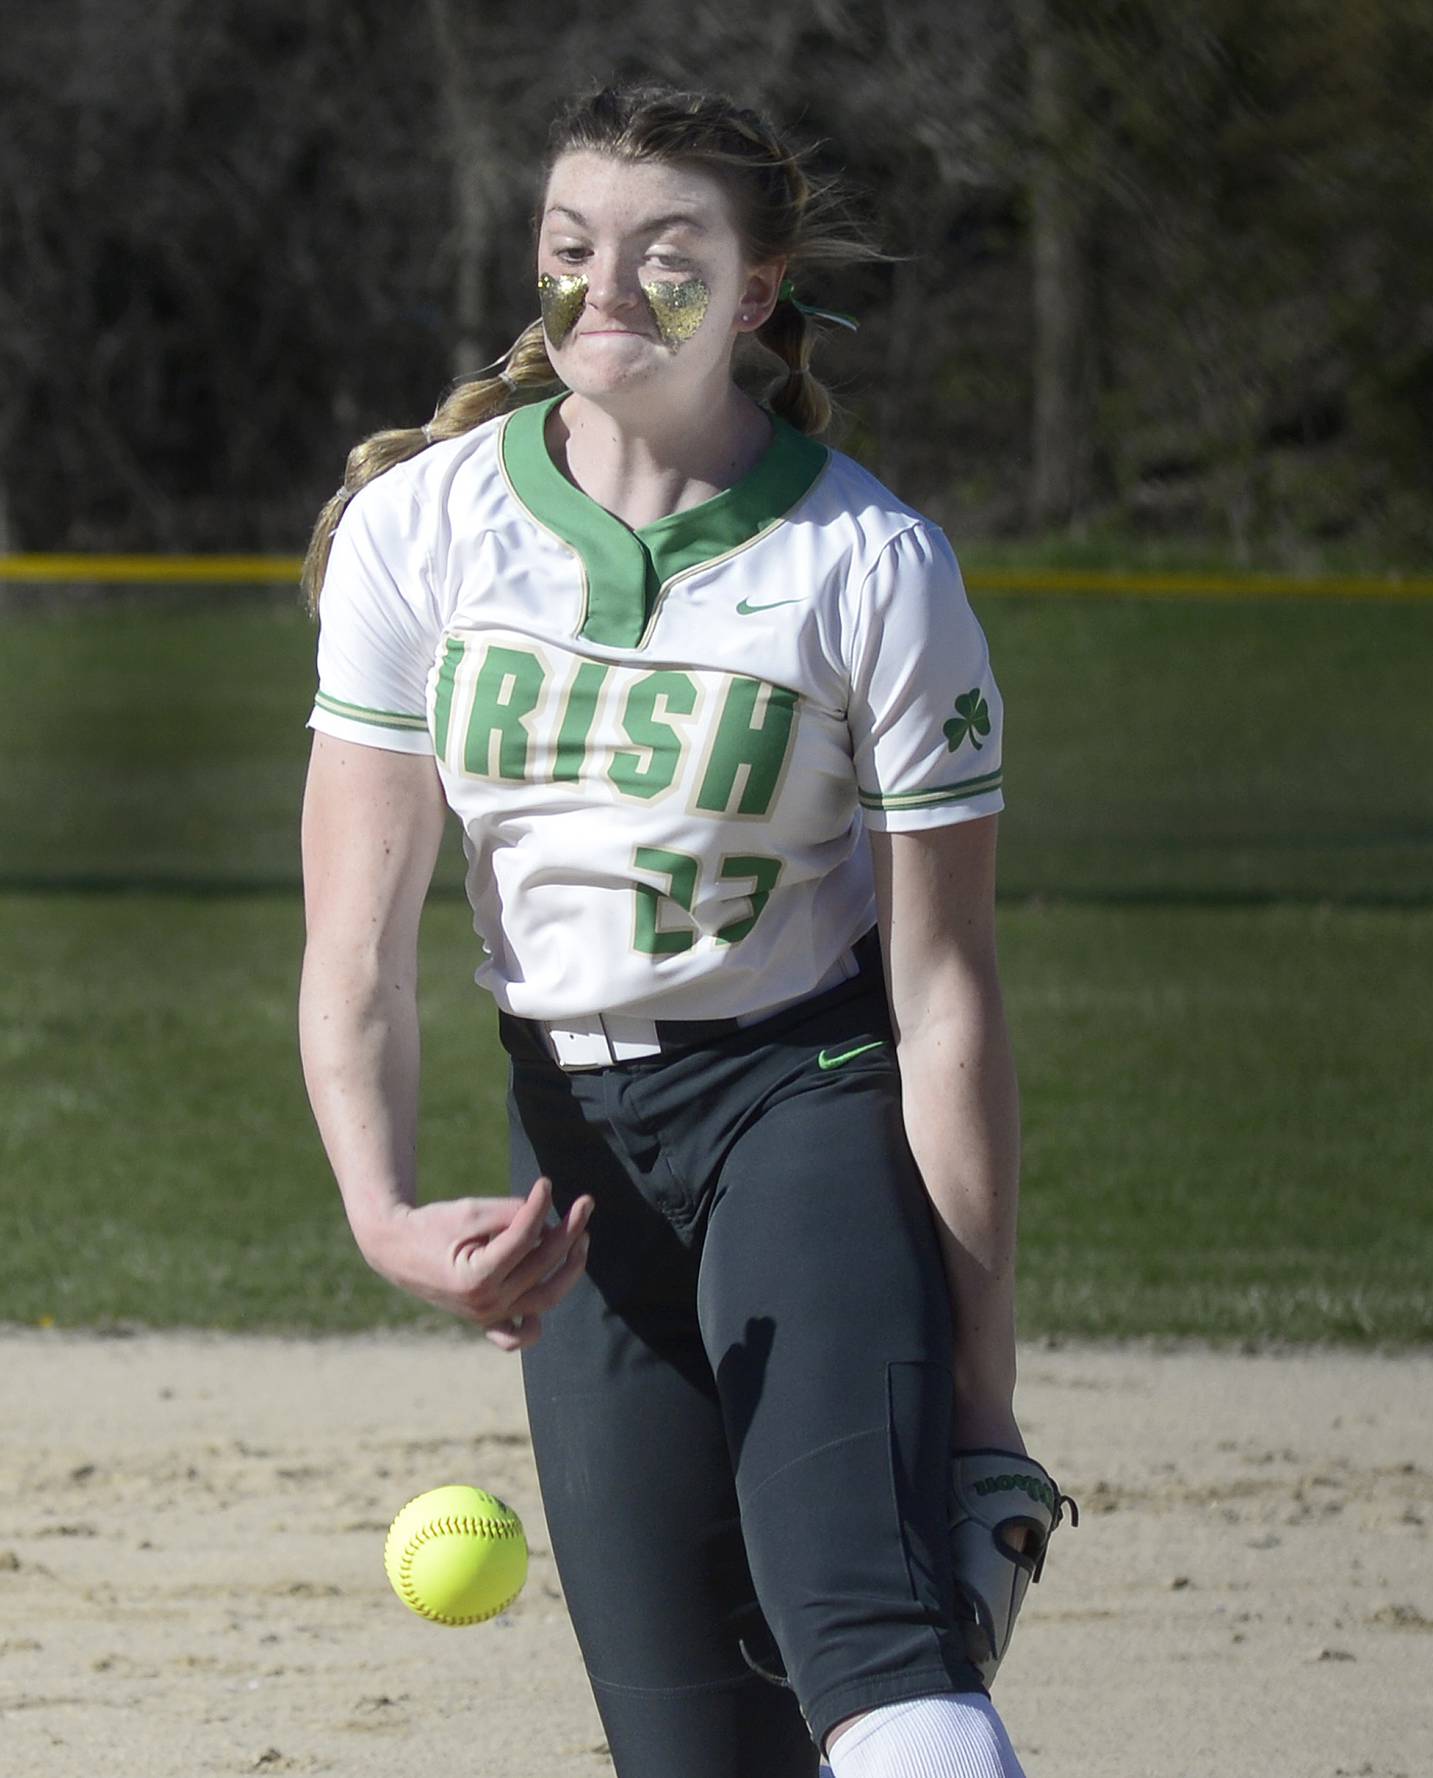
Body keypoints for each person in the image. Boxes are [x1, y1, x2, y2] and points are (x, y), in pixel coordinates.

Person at [298, 80, 1067, 1778]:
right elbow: (352, 944)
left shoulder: (870, 560)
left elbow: (946, 994)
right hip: (571, 1145)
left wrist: (985, 1415)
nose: (611, 289)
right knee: (694, 1753)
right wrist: (383, 1215)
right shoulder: (423, 533)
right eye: (576, 249)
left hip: (802, 1094)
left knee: (867, 1641)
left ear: (758, 293)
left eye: (670, 255)